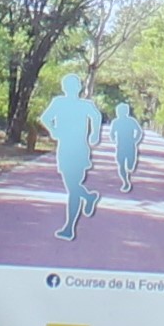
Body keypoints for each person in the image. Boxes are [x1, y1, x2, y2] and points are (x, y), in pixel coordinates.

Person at [49, 74, 105, 237]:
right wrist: (54, 130)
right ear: (64, 88)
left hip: (80, 149)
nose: (71, 89)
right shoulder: (59, 103)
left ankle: (69, 228)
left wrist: (95, 134)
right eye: (68, 86)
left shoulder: (85, 105)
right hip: (65, 148)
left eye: (74, 86)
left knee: (73, 188)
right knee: (72, 186)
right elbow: (46, 118)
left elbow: (97, 116)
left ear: (79, 88)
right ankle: (88, 197)